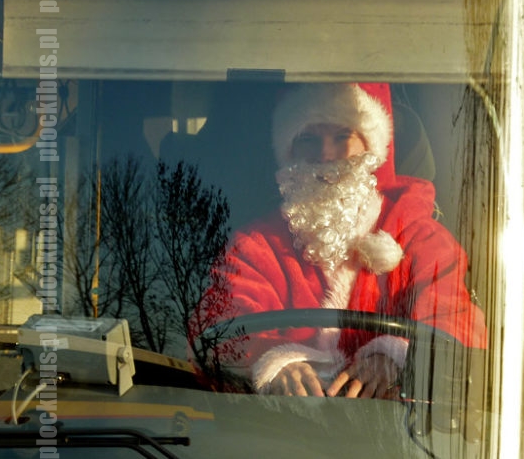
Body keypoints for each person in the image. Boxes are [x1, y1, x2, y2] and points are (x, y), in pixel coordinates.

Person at [188, 83, 487, 398]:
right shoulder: (255, 246)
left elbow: (457, 326)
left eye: (343, 136)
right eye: (308, 139)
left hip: (398, 437)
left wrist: (399, 358)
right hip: (277, 434)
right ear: (288, 150)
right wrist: (273, 360)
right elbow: (219, 325)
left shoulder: (422, 240)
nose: (326, 155)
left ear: (370, 147)